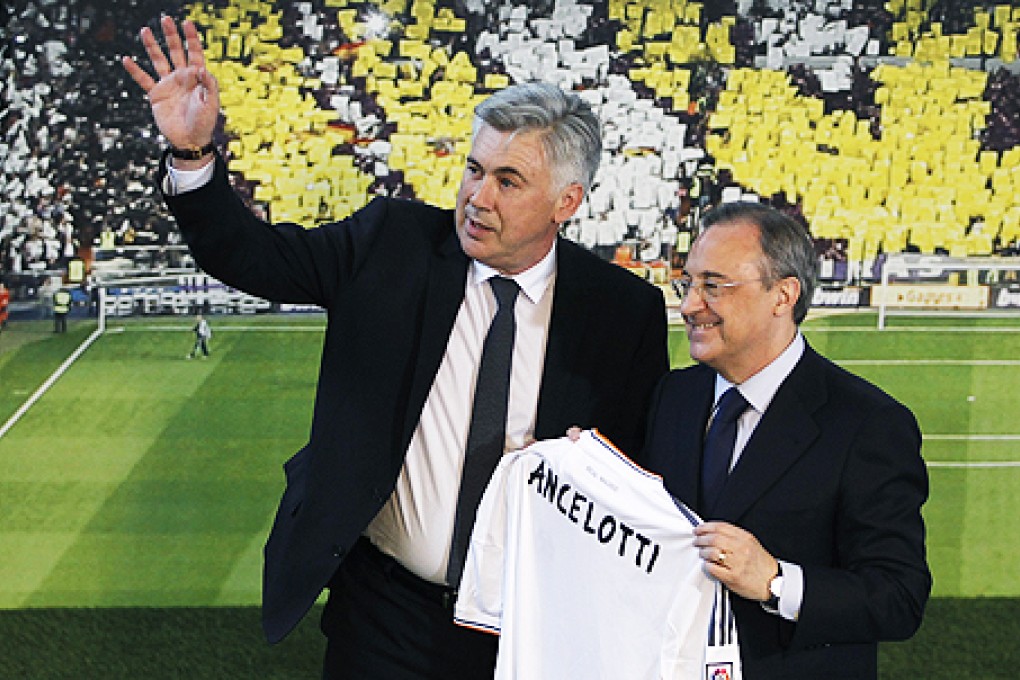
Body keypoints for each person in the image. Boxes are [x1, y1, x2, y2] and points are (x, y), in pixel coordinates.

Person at [123, 17, 669, 680]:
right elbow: (252, 256)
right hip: (387, 614)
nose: (477, 197)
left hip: (532, 625)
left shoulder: (621, 310)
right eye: (473, 170)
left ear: (567, 202)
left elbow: (641, 474)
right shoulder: (393, 244)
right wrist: (192, 157)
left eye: (508, 180)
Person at [640, 201, 930, 679]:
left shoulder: (868, 423)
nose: (689, 305)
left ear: (783, 295)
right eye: (687, 284)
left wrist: (775, 581)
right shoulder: (674, 395)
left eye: (713, 286)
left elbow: (899, 596)